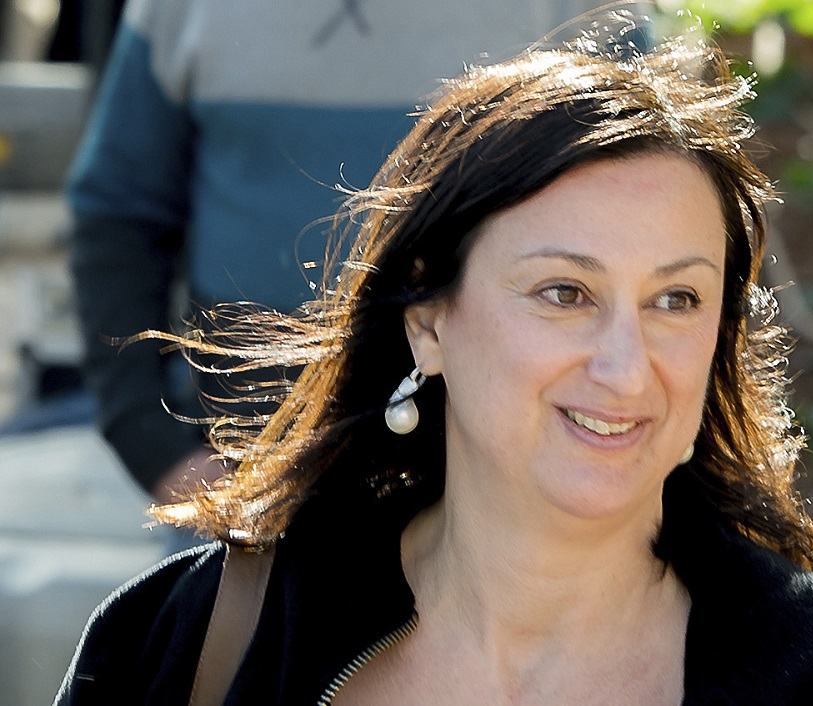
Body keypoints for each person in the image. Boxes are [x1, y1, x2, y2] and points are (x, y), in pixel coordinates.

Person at [56, 8, 813, 705]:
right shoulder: (191, 641)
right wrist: (150, 437)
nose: (626, 367)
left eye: (676, 299)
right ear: (426, 319)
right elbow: (115, 210)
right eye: (564, 292)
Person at [68, 0, 598, 505]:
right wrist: (151, 442)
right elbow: (119, 210)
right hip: (241, 476)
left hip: (505, 488)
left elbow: (635, 177)